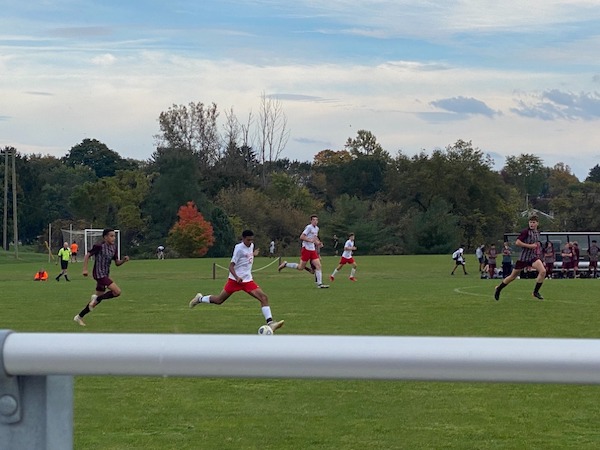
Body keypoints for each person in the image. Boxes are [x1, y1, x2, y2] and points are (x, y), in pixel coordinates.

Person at [189, 230, 284, 332]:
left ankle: (270, 323)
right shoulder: (238, 249)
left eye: (251, 240)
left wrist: (253, 254)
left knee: (264, 297)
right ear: (243, 239)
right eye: (248, 240)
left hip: (247, 280)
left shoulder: (251, 246)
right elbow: (231, 266)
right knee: (219, 300)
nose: (250, 242)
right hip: (235, 281)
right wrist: (237, 277)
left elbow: (246, 257)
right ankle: (199, 299)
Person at [73, 228, 130, 326]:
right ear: (105, 237)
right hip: (99, 274)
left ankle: (79, 316)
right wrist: (85, 269)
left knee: (94, 302)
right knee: (117, 292)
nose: (113, 238)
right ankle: (97, 298)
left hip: (105, 274)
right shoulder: (99, 246)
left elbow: (117, 263)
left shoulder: (114, 248)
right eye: (111, 236)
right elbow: (87, 255)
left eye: (114, 236)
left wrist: (123, 260)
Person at [494, 215, 546, 301]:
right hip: (523, 258)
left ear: (537, 223)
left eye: (533, 222)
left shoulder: (537, 232)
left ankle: (535, 292)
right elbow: (517, 242)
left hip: (532, 257)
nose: (531, 224)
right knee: (512, 277)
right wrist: (530, 246)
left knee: (543, 271)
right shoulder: (526, 232)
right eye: (530, 222)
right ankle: (499, 288)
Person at [278, 215, 329, 288]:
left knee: (318, 266)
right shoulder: (309, 227)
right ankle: (286, 264)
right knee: (300, 267)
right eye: (314, 220)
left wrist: (318, 243)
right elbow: (302, 236)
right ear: (311, 221)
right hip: (306, 249)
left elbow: (315, 238)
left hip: (312, 250)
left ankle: (319, 284)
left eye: (316, 220)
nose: (315, 221)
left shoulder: (317, 228)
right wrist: (309, 240)